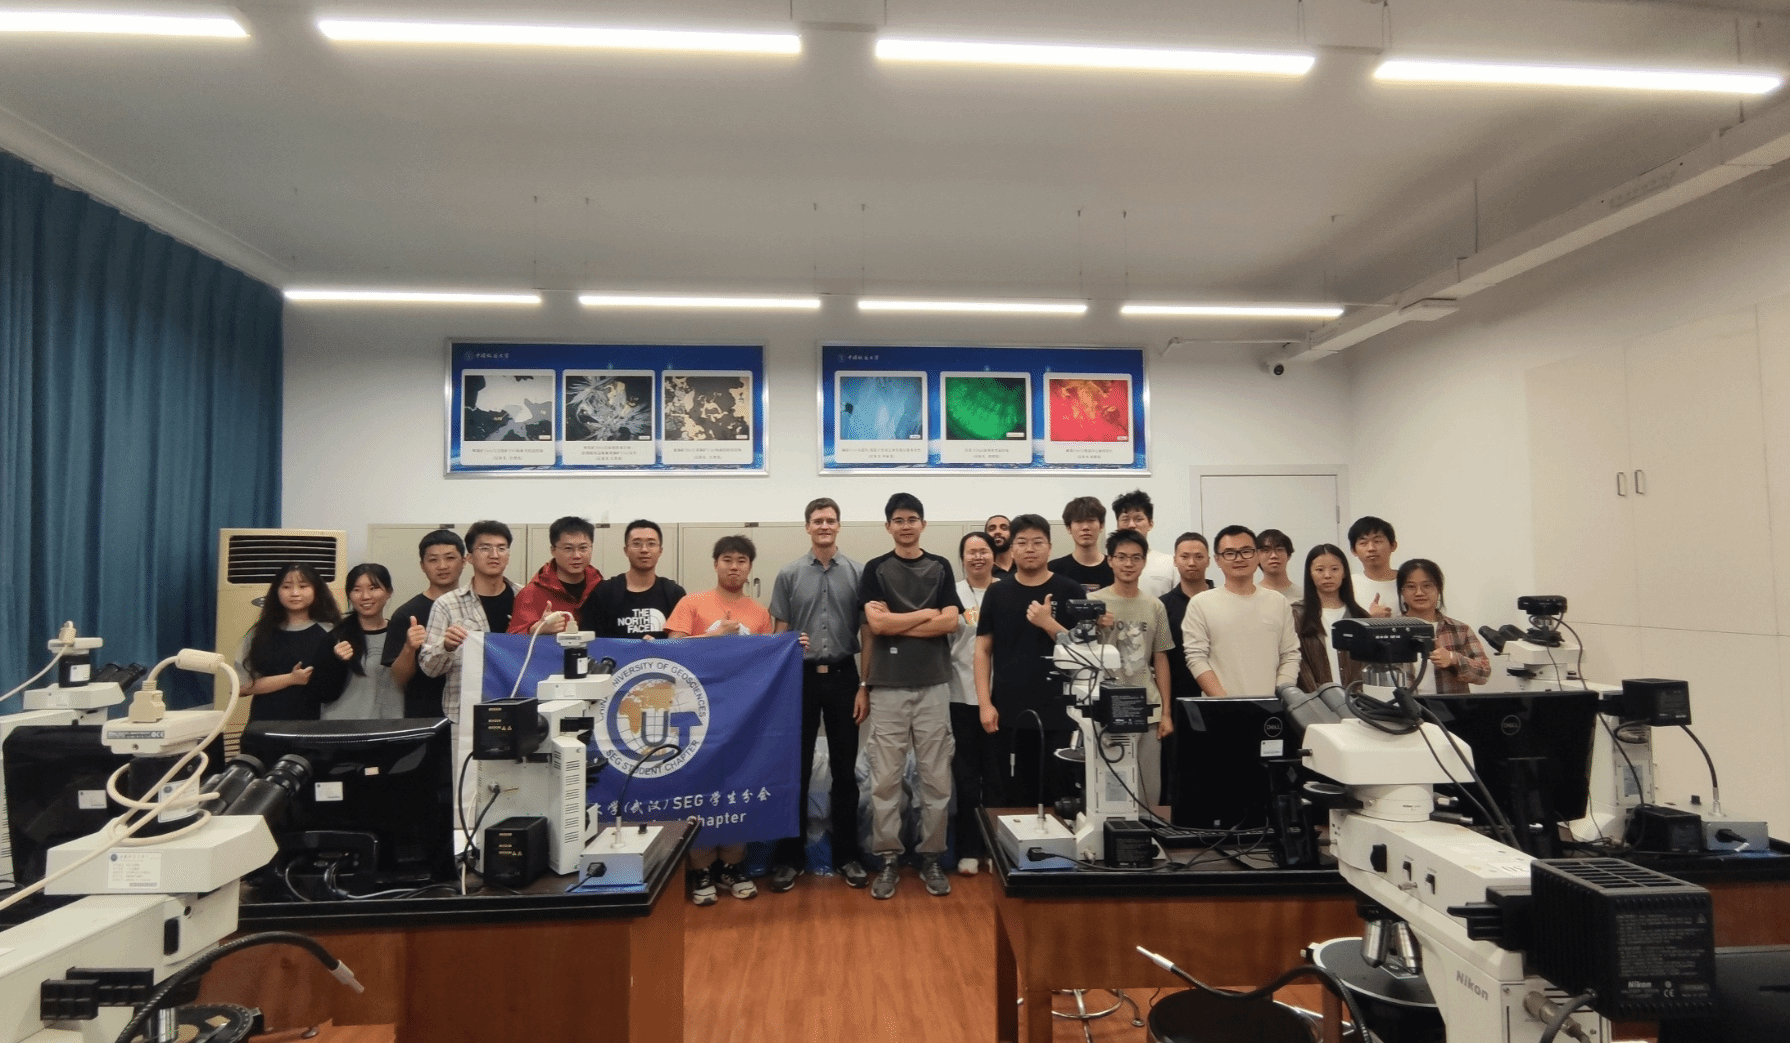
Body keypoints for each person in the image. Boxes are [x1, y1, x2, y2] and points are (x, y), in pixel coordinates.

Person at [858, 492, 962, 900]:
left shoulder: (940, 566)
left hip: (933, 685)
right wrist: (925, 614)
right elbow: (877, 627)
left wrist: (898, 621)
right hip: (887, 687)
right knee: (885, 780)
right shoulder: (876, 569)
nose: (906, 526)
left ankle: (931, 856)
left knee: (936, 779)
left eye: (912, 519)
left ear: (923, 524)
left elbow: (950, 622)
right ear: (888, 526)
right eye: (898, 520)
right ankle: (888, 857)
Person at [666, 535, 774, 906]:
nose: (734, 566)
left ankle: (732, 865)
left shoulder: (759, 613)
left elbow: (768, 660)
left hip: (742, 714)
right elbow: (671, 650)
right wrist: (713, 635)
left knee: (738, 785)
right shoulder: (692, 603)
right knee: (699, 788)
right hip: (697, 714)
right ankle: (700, 868)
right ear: (715, 564)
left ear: (749, 567)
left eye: (741, 560)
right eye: (727, 559)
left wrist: (793, 646)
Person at [767, 498, 868, 891]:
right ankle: (790, 858)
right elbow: (780, 634)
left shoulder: (858, 572)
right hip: (801, 679)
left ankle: (846, 857)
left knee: (845, 772)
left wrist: (865, 686)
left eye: (830, 520)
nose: (824, 526)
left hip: (845, 677)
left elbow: (868, 634)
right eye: (817, 520)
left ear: (839, 526)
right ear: (807, 526)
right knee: (796, 770)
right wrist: (790, 645)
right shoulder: (789, 574)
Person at [975, 514, 1083, 809]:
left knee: (1059, 797)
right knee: (1013, 797)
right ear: (1012, 549)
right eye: (1022, 542)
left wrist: (1049, 624)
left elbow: (1083, 653)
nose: (1030, 549)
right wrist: (985, 703)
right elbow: (982, 649)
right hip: (1009, 713)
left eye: (1038, 542)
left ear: (1050, 547)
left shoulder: (1070, 590)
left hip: (1061, 714)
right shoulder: (997, 592)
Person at [1090, 530, 1175, 805]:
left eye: (1136, 558)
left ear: (1144, 562)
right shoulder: (1094, 603)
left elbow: (1160, 658)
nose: (1128, 564)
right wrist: (1093, 625)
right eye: (1122, 557)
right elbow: (1081, 654)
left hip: (1147, 707)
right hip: (1107, 709)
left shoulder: (1155, 606)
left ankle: (1149, 832)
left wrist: (1166, 713)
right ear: (1110, 560)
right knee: (1111, 791)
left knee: (1149, 789)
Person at [419, 520, 520, 723]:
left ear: (508, 556)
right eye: (485, 548)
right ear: (470, 557)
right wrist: (446, 646)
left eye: (501, 548)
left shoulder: (525, 598)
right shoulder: (446, 604)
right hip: (466, 714)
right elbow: (430, 668)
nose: (494, 555)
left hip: (518, 707)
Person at [1181, 525, 1300, 697]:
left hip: (1273, 706)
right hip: (1221, 707)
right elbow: (1196, 658)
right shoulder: (1200, 603)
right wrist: (1226, 703)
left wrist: (1279, 697)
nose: (1239, 559)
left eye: (1246, 551)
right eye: (1229, 553)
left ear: (1257, 555)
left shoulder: (1278, 602)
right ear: (1217, 560)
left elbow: (1290, 655)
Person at [947, 530, 1000, 875]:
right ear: (962, 558)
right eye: (971, 552)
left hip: (1000, 697)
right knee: (966, 779)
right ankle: (968, 848)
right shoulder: (951, 593)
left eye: (983, 551)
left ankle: (995, 849)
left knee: (996, 777)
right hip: (960, 696)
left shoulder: (1006, 590)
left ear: (994, 555)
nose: (978, 557)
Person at [237, 563, 351, 720]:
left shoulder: (331, 632)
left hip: (312, 725)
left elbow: (335, 689)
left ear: (316, 590)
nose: (295, 593)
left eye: (303, 586)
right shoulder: (260, 633)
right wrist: (291, 679)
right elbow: (241, 688)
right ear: (276, 591)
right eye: (286, 587)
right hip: (264, 724)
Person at [384, 529, 465, 719]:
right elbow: (399, 679)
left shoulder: (474, 606)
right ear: (422, 565)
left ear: (464, 561)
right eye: (433, 560)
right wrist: (409, 647)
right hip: (424, 717)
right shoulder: (406, 614)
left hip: (468, 714)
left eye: (450, 558)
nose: (442, 566)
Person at [1157, 532, 1213, 802]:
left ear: (1209, 561)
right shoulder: (1163, 606)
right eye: (1185, 556)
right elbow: (1161, 659)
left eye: (1199, 556)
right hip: (1178, 702)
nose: (1192, 562)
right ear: (1175, 560)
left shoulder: (1221, 600)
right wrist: (1166, 712)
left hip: (1218, 698)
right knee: (1177, 776)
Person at [1394, 558, 1490, 694]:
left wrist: (1453, 658)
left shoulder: (1460, 630)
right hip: (1405, 706)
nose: (1419, 592)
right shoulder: (1391, 630)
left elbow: (1484, 674)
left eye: (1427, 585)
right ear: (1401, 591)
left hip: (1450, 707)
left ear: (1439, 589)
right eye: (1410, 586)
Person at [582, 520, 686, 640]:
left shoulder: (674, 593)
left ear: (660, 551)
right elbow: (590, 642)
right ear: (626, 550)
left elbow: (684, 643)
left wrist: (658, 647)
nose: (644, 549)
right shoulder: (604, 593)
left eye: (651, 544)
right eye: (636, 544)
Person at [325, 563, 401, 721]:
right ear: (349, 595)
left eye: (373, 588)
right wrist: (336, 661)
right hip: (342, 727)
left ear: (389, 592)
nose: (365, 596)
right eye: (357, 589)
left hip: (390, 726)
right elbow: (320, 691)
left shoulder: (399, 634)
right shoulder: (336, 636)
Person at [1291, 544, 1367, 693]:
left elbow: (1367, 666)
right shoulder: (1297, 614)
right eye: (1320, 570)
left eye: (1334, 569)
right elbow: (1298, 662)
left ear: (1344, 573)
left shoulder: (1360, 616)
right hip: (1314, 700)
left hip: (1356, 701)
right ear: (1310, 574)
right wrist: (1320, 696)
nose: (1327, 575)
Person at [509, 516, 603, 635]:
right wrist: (536, 629)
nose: (577, 555)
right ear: (553, 550)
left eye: (583, 548)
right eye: (568, 548)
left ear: (591, 548)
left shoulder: (600, 588)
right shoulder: (532, 593)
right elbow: (511, 639)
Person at [1112, 490, 1177, 598]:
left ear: (1150, 524)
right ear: (1118, 525)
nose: (1131, 525)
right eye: (1125, 519)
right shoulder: (1111, 563)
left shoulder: (1169, 563)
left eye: (1138, 519)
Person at [1050, 496, 1114, 592]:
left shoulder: (1116, 568)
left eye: (1091, 520)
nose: (1085, 527)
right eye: (1078, 521)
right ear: (1068, 528)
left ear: (1101, 525)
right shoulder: (1053, 570)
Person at [1348, 516, 1399, 618]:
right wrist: (1372, 619)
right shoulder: (1348, 585)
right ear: (1354, 551)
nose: (1371, 548)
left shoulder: (1409, 581)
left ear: (1393, 545)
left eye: (1377, 541)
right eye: (1363, 543)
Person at [1256, 529, 1300, 603]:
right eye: (1266, 550)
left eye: (1279, 550)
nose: (1274, 555)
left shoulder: (1303, 597)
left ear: (1288, 555)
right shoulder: (1249, 597)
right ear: (1256, 557)